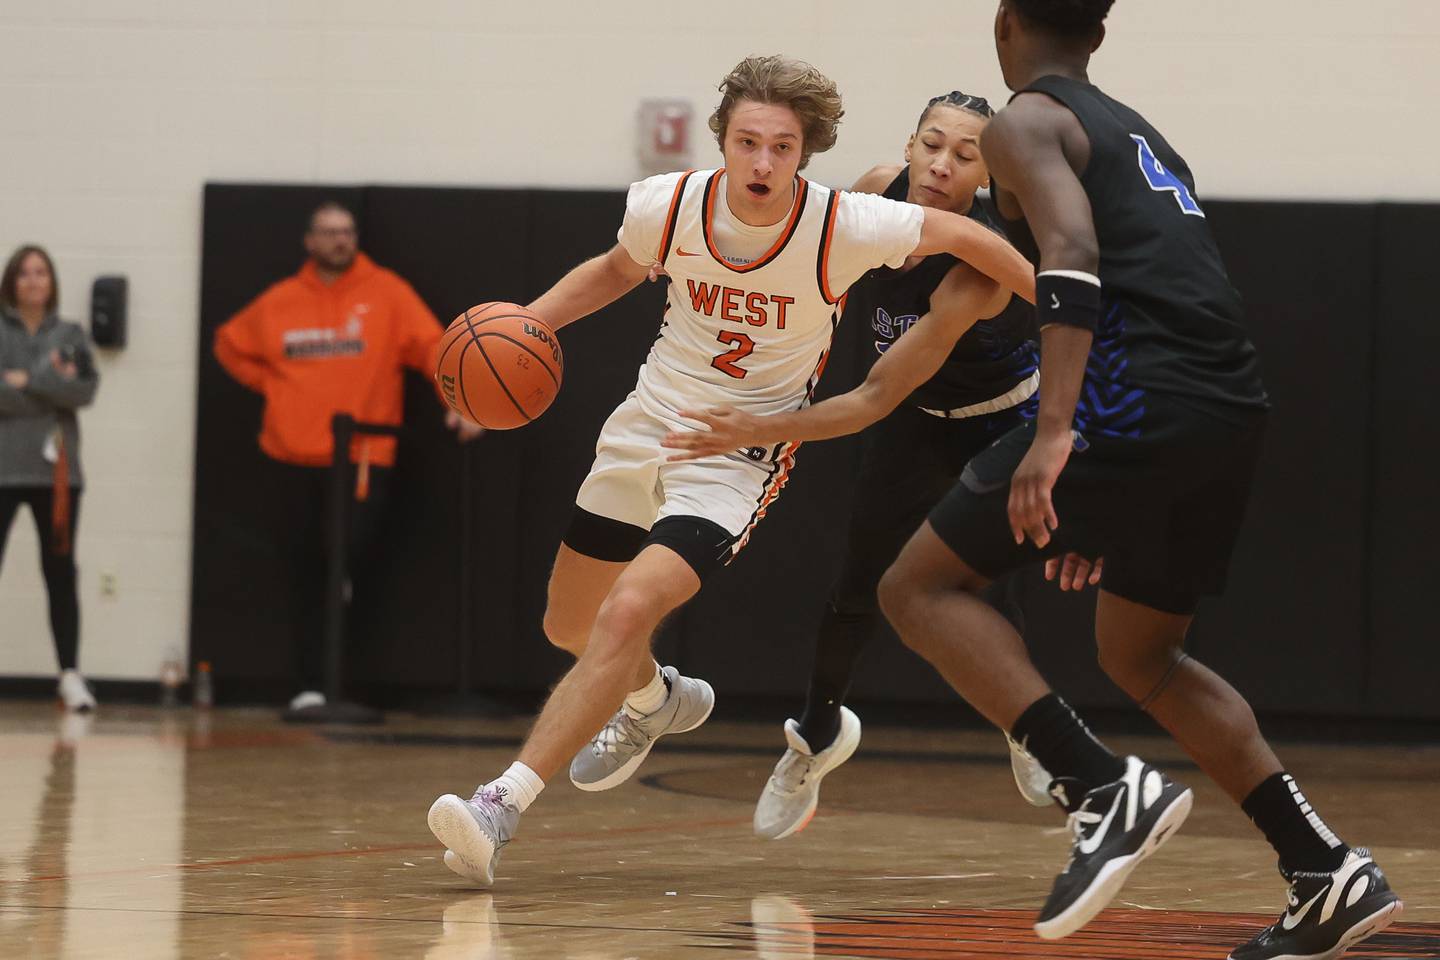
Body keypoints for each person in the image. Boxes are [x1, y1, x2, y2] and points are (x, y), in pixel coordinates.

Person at [674, 5, 1405, 957]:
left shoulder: (1027, 119)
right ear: (1098, 32)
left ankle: (1101, 789)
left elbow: (1069, 257)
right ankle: (1325, 869)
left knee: (915, 587)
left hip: (1129, 393)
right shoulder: (1141, 132)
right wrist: (1115, 492)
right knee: (1144, 659)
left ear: (1004, 22)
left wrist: (1060, 430)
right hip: (1225, 408)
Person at [426, 54, 1037, 887]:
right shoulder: (667, 204)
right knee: (568, 625)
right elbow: (614, 270)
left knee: (627, 609)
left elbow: (970, 237)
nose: (760, 162)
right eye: (746, 141)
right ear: (722, 139)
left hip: (739, 455)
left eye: (780, 147)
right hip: (647, 423)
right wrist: (525, 329)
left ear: (804, 153)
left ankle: (500, 806)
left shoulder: (844, 224)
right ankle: (655, 702)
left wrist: (1077, 308)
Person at [743, 90, 1083, 841]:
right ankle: (817, 731)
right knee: (855, 586)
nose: (941, 164)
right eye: (932, 144)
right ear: (908, 145)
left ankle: (1030, 728)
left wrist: (765, 422)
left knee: (984, 592)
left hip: (1000, 422)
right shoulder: (871, 193)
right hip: (916, 422)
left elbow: (874, 390)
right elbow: (816, 282)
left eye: (965, 156)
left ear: (986, 174)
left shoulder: (981, 263)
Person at [214, 202, 481, 711]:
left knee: (345, 562)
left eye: (347, 231)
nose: (340, 240)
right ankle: (312, 687)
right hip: (291, 458)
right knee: (303, 571)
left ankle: (346, 680)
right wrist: (271, 386)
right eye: (329, 232)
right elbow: (229, 344)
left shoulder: (387, 293)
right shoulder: (281, 301)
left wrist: (459, 403)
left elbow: (433, 349)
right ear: (309, 242)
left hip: (360, 460)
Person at [0, 245, 100, 712]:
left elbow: (83, 390)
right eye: (24, 273)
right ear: (11, 282)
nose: (33, 281)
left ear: (52, 281)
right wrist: (48, 387)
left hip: (58, 473)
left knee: (60, 572)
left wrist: (26, 381)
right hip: (3, 469)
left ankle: (70, 675)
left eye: (41, 273)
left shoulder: (71, 333)